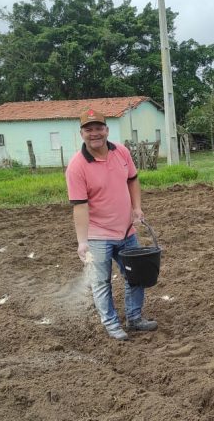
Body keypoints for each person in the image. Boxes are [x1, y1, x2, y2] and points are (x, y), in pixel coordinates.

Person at [65, 108, 157, 341]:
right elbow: (80, 206)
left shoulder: (121, 152)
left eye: (98, 128)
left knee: (136, 276)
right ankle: (111, 323)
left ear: (106, 130)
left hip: (127, 230)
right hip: (98, 236)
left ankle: (134, 318)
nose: (94, 133)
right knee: (102, 281)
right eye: (89, 129)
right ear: (81, 133)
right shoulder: (76, 167)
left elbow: (133, 180)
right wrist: (82, 242)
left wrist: (136, 208)